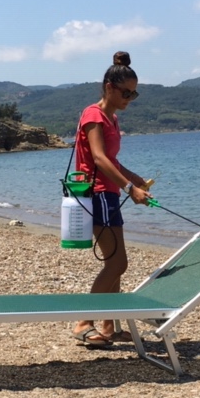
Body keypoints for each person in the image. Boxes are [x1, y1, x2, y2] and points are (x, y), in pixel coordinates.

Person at [72, 51, 152, 348]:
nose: (129, 98)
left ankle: (108, 326)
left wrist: (134, 178)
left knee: (113, 261)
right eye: (126, 92)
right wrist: (130, 189)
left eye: (134, 93)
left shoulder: (112, 118)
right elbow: (98, 158)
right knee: (118, 263)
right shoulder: (93, 115)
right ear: (109, 87)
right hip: (96, 195)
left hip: (109, 193)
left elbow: (112, 161)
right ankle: (83, 322)